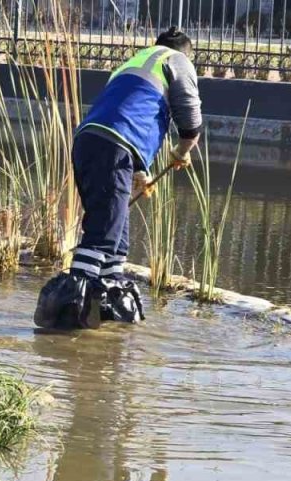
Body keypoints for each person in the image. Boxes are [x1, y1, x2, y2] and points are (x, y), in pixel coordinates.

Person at [34, 27, 202, 330]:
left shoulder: (134, 62)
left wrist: (138, 171)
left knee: (117, 238)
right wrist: (182, 149)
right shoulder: (177, 59)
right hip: (114, 147)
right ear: (186, 52)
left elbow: (128, 113)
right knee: (103, 233)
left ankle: (106, 318)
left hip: (91, 142)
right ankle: (64, 321)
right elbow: (189, 115)